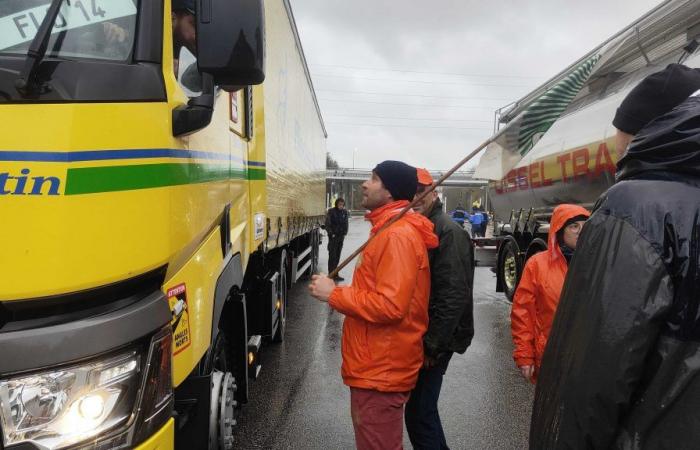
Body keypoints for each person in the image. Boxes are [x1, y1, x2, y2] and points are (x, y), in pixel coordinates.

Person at [530, 64, 700, 449]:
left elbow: (595, 371)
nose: (614, 144)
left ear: (649, 128)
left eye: (619, 130)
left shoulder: (634, 207)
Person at [308, 161, 438, 450]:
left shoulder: (396, 236)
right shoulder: (387, 230)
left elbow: (391, 306)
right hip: (376, 365)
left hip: (382, 368)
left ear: (391, 192)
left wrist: (334, 294)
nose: (365, 184)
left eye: (375, 179)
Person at [405, 169, 475, 450]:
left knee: (421, 414)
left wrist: (433, 346)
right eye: (411, 191)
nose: (416, 197)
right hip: (425, 338)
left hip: (436, 341)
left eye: (422, 190)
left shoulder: (448, 231)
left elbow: (453, 294)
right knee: (419, 413)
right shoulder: (418, 227)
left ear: (434, 192)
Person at [510, 204, 589, 384]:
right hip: (550, 358)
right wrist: (525, 355)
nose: (580, 231)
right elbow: (523, 312)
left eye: (585, 226)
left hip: (586, 360)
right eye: (574, 226)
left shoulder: (596, 264)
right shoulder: (537, 264)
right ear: (560, 230)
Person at [325, 197, 349, 281]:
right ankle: (331, 274)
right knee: (332, 256)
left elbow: (346, 223)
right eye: (339, 204)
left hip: (340, 237)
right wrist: (331, 234)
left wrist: (345, 232)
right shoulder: (331, 212)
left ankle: (336, 274)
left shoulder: (344, 212)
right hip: (333, 237)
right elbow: (327, 224)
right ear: (336, 204)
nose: (341, 206)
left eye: (342, 205)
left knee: (338, 256)